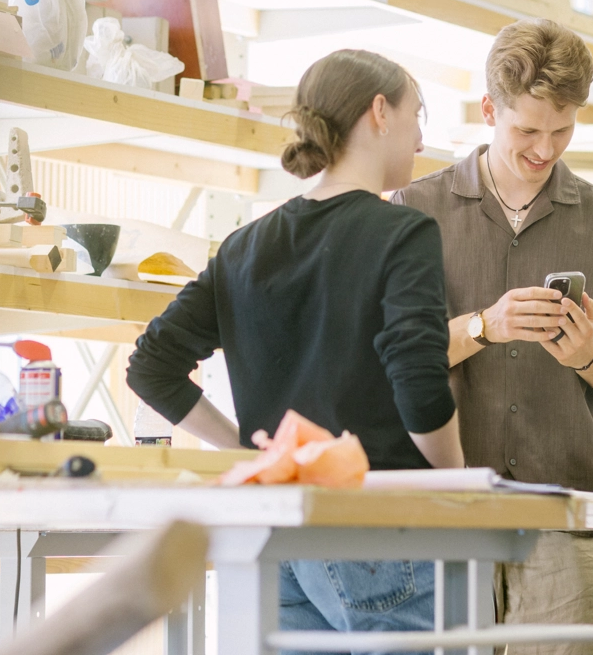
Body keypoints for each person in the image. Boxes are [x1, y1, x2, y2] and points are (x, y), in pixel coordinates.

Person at [127, 49, 464, 646]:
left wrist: (252, 450)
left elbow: (151, 367)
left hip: (274, 534)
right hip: (377, 525)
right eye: (417, 116)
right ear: (379, 112)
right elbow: (418, 378)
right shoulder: (403, 232)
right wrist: (456, 483)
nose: (420, 140)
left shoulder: (244, 246)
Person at [391, 18, 593, 654]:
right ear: (489, 109)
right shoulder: (414, 210)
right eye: (527, 130)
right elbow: (390, 360)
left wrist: (589, 355)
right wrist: (484, 327)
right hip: (442, 514)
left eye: (562, 130)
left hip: (566, 515)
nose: (545, 149)